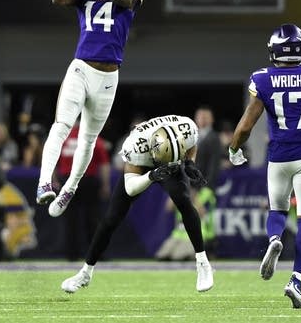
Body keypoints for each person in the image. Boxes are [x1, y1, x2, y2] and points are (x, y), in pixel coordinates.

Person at [227, 24, 301, 309]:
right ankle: (296, 280)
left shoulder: (263, 78)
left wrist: (233, 149)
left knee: (276, 210)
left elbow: (244, 127)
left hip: (279, 157)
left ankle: (275, 238)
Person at [34, 0, 145, 217]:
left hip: (108, 76)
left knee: (88, 139)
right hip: (81, 68)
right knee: (62, 125)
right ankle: (44, 182)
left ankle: (71, 186)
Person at [59, 114, 214, 293]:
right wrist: (151, 175)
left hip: (171, 161)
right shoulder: (135, 146)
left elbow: (191, 145)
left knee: (184, 201)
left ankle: (203, 263)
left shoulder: (187, 127)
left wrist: (189, 162)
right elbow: (131, 188)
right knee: (111, 218)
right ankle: (85, 273)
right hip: (144, 167)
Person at [57, 120, 111, 261]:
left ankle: (71, 254)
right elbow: (104, 164)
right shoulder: (93, 138)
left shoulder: (64, 138)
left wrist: (53, 180)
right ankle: (95, 254)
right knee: (92, 218)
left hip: (67, 180)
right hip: (88, 179)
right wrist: (105, 184)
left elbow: (52, 159)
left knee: (70, 219)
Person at [194, 106, 222, 188]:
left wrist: (207, 186)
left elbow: (214, 164)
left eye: (205, 117)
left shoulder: (214, 138)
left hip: (202, 184)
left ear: (212, 119)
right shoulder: (192, 136)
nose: (203, 119)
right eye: (200, 117)